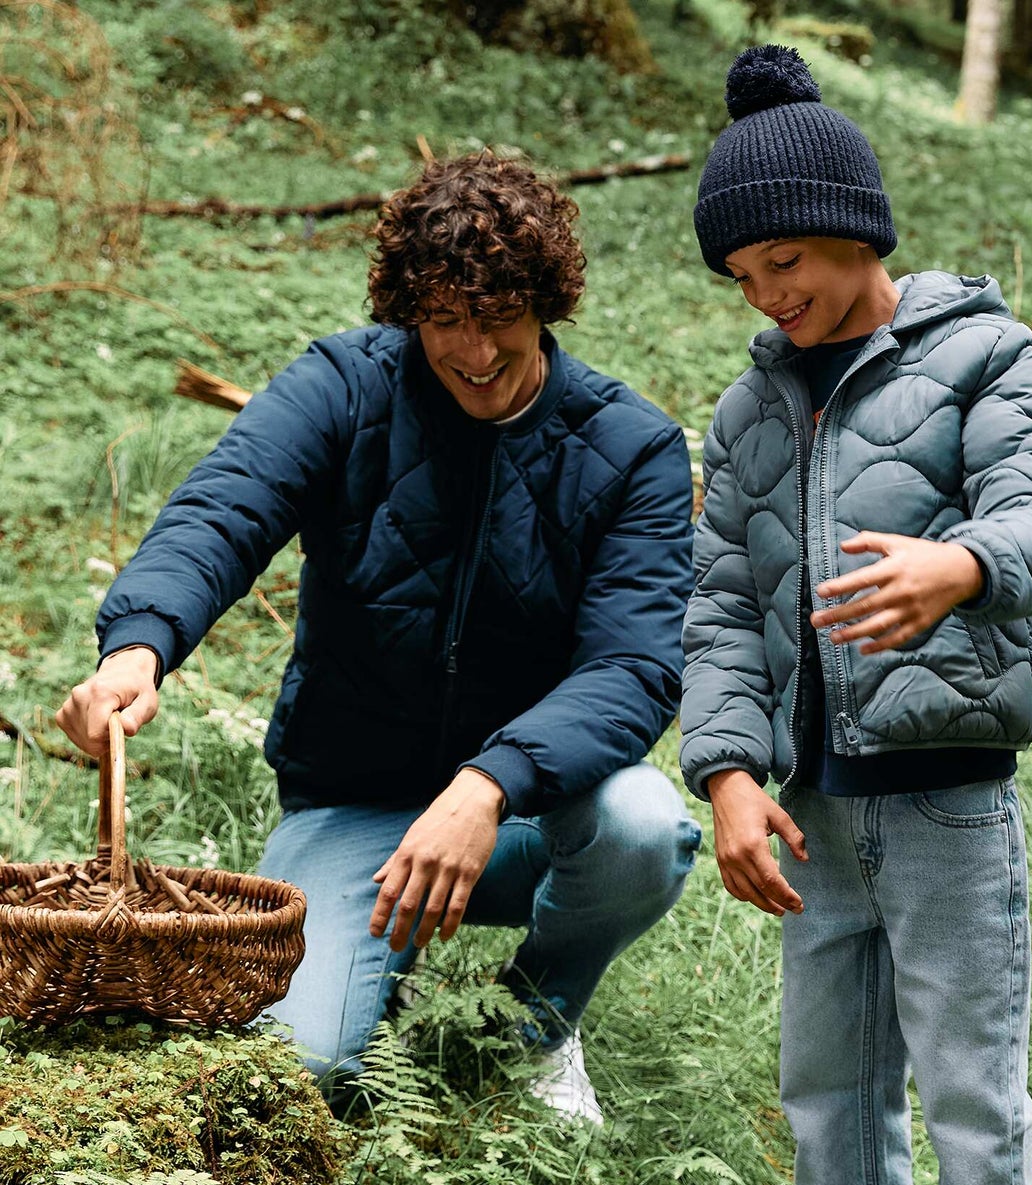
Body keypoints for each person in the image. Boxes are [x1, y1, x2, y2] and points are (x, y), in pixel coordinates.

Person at [58, 151, 702, 1125]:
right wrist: (136, 645)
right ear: (408, 310)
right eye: (444, 320)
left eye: (498, 319)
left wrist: (488, 784)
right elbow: (223, 510)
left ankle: (530, 1025)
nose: (473, 351)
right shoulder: (343, 386)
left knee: (646, 828)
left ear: (548, 303)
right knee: (299, 1067)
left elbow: (635, 664)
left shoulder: (629, 448)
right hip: (354, 806)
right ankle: (374, 979)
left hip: (526, 815)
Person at [680, 47, 1032, 1185]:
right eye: (742, 275)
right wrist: (730, 775)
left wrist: (959, 567)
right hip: (809, 809)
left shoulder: (982, 352)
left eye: (785, 257)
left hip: (947, 798)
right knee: (828, 1081)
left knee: (970, 1082)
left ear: (859, 227)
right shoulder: (748, 410)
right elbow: (724, 608)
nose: (769, 293)